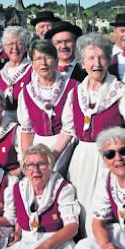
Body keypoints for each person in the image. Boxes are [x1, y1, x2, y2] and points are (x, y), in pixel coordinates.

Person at [53, 33, 125, 236]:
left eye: (102, 57)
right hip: (82, 161)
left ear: (109, 60)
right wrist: (51, 158)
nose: (97, 63)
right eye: (91, 58)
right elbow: (67, 131)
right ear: (82, 63)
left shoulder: (121, 92)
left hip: (111, 161)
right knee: (82, 206)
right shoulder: (75, 93)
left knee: (106, 212)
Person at [17, 40, 77, 176]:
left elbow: (70, 128)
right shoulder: (27, 92)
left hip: (66, 145)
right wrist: (28, 160)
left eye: (48, 58)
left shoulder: (72, 87)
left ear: (56, 61)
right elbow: (27, 131)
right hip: (39, 146)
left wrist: (52, 157)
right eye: (38, 58)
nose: (43, 63)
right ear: (32, 64)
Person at [0, 26, 32, 122]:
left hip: (27, 123)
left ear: (25, 47)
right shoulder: (0, 73)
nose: (15, 48)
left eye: (19, 44)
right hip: (4, 123)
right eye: (10, 44)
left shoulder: (33, 69)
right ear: (4, 48)